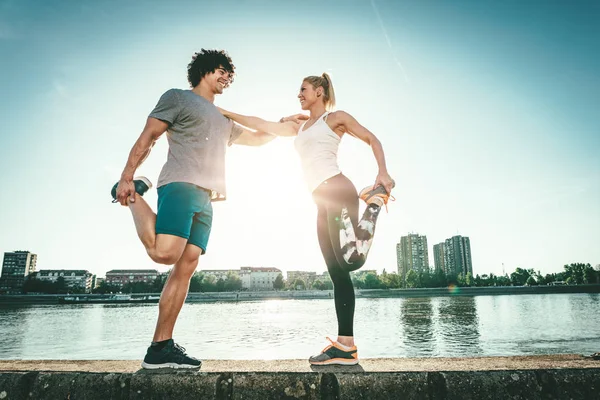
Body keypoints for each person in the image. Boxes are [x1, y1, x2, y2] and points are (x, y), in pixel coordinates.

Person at [111, 49, 277, 370]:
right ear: (205, 70)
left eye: (231, 75)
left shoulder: (224, 120)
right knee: (165, 254)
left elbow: (257, 140)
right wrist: (126, 177)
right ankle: (135, 196)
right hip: (180, 183)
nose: (228, 78)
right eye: (223, 71)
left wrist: (283, 125)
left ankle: (161, 347)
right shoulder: (178, 98)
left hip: (208, 196)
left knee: (186, 266)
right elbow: (148, 137)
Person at [219, 73, 395, 365]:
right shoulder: (299, 126)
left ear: (320, 91)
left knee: (352, 259)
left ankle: (374, 202)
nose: (299, 94)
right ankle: (345, 346)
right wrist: (224, 112)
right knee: (338, 273)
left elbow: (372, 138)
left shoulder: (335, 118)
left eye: (303, 89)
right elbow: (262, 124)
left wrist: (383, 173)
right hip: (320, 201)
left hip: (338, 189)